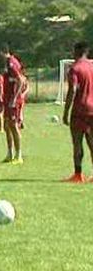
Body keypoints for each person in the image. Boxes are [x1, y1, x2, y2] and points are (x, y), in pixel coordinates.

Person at [62, 42, 93, 183]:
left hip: (80, 110)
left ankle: (78, 174)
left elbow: (73, 89)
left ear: (77, 51)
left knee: (77, 142)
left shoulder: (75, 69)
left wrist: (66, 111)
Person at [0, 44, 26, 164]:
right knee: (7, 126)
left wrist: (15, 98)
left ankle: (18, 154)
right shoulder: (7, 63)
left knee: (14, 126)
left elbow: (20, 80)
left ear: (2, 52)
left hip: (13, 101)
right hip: (7, 100)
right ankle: (10, 153)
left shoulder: (11, 63)